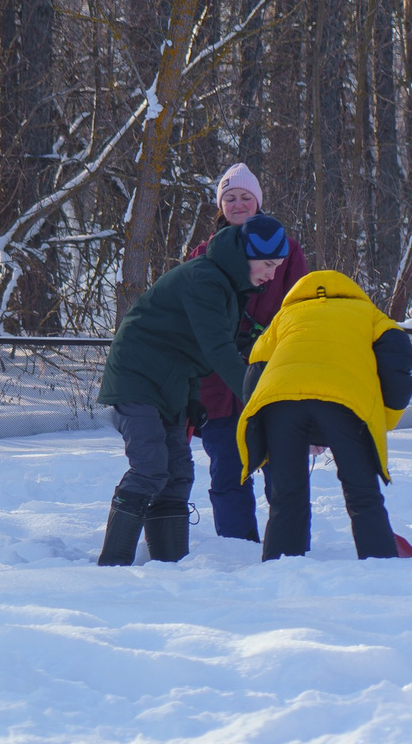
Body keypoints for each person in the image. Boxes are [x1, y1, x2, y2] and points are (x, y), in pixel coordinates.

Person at [94, 213, 290, 566]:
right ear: (247, 254)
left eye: (278, 266)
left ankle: (169, 564)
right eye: (268, 264)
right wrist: (259, 400)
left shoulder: (229, 286)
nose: (272, 274)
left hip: (172, 384)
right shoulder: (207, 278)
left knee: (179, 471)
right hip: (137, 379)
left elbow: (190, 348)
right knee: (151, 466)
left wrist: (193, 398)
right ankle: (113, 564)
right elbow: (218, 350)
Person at [236, 271, 412, 559]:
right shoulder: (368, 314)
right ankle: (381, 565)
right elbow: (399, 362)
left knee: (286, 496)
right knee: (362, 493)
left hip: (281, 404)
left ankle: (280, 570)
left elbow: (256, 369)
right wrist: (383, 419)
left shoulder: (285, 317)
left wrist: (268, 427)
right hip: (346, 403)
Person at [184, 163, 310, 541]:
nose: (238, 204)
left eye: (245, 197)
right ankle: (237, 549)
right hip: (218, 384)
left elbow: (300, 310)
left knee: (283, 468)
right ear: (220, 206)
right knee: (227, 470)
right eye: (230, 198)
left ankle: (287, 546)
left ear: (258, 202)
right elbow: (195, 314)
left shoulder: (287, 250)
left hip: (274, 376)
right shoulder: (203, 253)